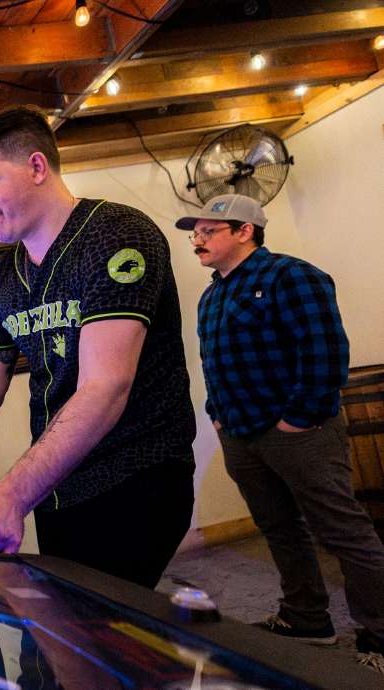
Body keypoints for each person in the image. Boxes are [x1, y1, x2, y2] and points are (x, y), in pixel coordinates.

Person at [0, 106, 196, 589]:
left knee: (96, 641)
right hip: (57, 485)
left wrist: (8, 496)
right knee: (61, 637)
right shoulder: (4, 278)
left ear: (36, 166)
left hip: (134, 476)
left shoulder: (115, 235)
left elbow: (106, 386)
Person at [177, 193, 384, 670]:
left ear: (245, 231)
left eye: (209, 231)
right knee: (278, 528)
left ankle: (380, 633)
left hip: (299, 432)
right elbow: (216, 363)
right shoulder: (213, 294)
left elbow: (326, 352)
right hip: (240, 434)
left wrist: (300, 417)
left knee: (343, 532)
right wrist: (217, 414)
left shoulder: (292, 276)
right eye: (196, 233)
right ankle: (308, 619)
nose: (198, 241)